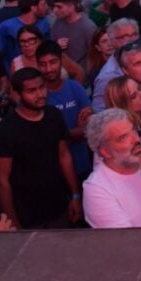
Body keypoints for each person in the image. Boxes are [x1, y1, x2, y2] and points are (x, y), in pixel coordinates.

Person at [0, 67, 83, 228]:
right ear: (18, 94)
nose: (40, 94)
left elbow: (64, 156)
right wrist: (11, 219)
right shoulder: (5, 130)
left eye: (42, 87)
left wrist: (75, 196)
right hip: (27, 214)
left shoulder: (53, 115)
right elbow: (1, 180)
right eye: (32, 91)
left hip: (59, 206)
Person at [34, 40, 93, 181]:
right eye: (43, 64)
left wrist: (66, 134)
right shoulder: (36, 96)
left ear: (61, 61)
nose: (48, 69)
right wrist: (77, 131)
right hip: (52, 171)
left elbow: (91, 126)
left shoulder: (74, 87)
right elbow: (46, 138)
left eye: (53, 62)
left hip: (82, 164)